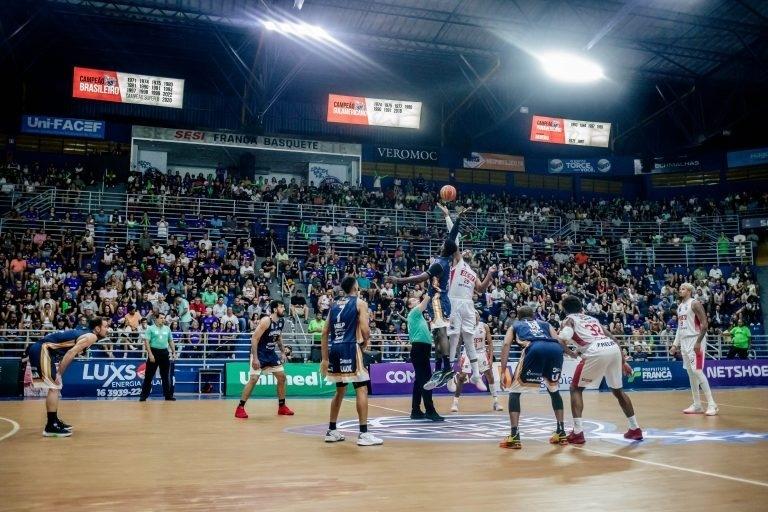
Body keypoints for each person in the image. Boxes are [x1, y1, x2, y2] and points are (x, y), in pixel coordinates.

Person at [387, 206, 468, 391]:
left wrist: (399, 280)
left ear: (443, 248)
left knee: (441, 333)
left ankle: (447, 367)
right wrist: (457, 217)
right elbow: (453, 234)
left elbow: (421, 278)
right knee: (437, 335)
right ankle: (440, 368)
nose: (441, 243)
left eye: (442, 243)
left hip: (438, 299)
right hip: (436, 299)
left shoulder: (440, 263)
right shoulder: (446, 258)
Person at [557, 296, 642, 444]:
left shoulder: (568, 320)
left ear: (564, 310)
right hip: (612, 348)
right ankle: (635, 429)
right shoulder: (592, 319)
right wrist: (623, 362)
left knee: (576, 389)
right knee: (618, 391)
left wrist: (571, 353)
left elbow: (563, 337)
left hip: (594, 350)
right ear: (581, 308)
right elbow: (614, 339)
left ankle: (577, 432)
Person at [498, 306, 575, 449]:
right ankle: (561, 432)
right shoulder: (545, 324)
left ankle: (514, 436)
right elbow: (558, 340)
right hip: (555, 350)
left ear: (519, 317)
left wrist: (503, 370)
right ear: (533, 316)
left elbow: (507, 343)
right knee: (553, 390)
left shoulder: (515, 325)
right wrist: (570, 353)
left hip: (535, 348)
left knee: (514, 392)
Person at [321, 276, 383, 446]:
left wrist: (324, 358)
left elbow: (324, 332)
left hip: (335, 349)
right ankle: (363, 434)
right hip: (350, 347)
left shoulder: (333, 305)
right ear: (356, 287)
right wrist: (364, 343)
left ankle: (331, 430)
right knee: (361, 389)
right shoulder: (359, 303)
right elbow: (365, 329)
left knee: (340, 390)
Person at [24, 318, 109, 437]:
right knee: (54, 386)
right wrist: (59, 373)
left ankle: (54, 421)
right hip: (42, 349)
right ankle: (50, 426)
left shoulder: (85, 332)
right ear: (97, 328)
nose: (108, 329)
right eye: (105, 326)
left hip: (41, 349)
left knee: (55, 387)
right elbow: (70, 353)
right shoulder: (91, 336)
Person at [235, 300, 294, 418]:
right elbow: (254, 339)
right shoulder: (266, 321)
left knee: (282, 377)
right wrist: (255, 358)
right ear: (275, 309)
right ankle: (240, 408)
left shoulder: (281, 321)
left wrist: (283, 352)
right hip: (259, 353)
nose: (284, 309)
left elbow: (278, 337)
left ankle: (282, 407)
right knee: (254, 379)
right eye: (281, 307)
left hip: (271, 354)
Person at [670, 283, 718, 416]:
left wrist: (698, 342)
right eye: (680, 288)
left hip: (696, 339)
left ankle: (712, 404)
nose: (680, 290)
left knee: (697, 371)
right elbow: (680, 328)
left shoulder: (695, 303)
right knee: (691, 373)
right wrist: (675, 344)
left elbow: (705, 324)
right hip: (685, 341)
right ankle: (697, 405)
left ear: (690, 291)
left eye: (683, 289)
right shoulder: (679, 307)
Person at [451, 312, 502, 413]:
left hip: (481, 352)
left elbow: (490, 343)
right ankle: (455, 402)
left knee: (490, 375)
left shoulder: (485, 326)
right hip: (468, 352)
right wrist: (458, 356)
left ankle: (496, 401)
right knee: (461, 377)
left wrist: (491, 357)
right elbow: (458, 343)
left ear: (478, 317)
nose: (475, 317)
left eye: (477, 315)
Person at [407, 292, 444, 422]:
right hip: (419, 348)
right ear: (410, 305)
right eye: (413, 300)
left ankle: (415, 410)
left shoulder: (419, 317)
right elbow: (425, 302)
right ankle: (430, 410)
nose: (416, 300)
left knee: (419, 381)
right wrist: (430, 291)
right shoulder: (414, 313)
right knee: (426, 381)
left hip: (422, 348)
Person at [139, 313, 177, 401]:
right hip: (154, 352)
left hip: (164, 353)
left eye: (164, 318)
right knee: (149, 376)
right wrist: (150, 354)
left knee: (165, 376)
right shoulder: (150, 328)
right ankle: (144, 395)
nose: (163, 320)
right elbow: (147, 342)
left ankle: (168, 396)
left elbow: (171, 341)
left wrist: (174, 352)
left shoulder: (167, 329)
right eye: (161, 318)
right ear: (156, 319)